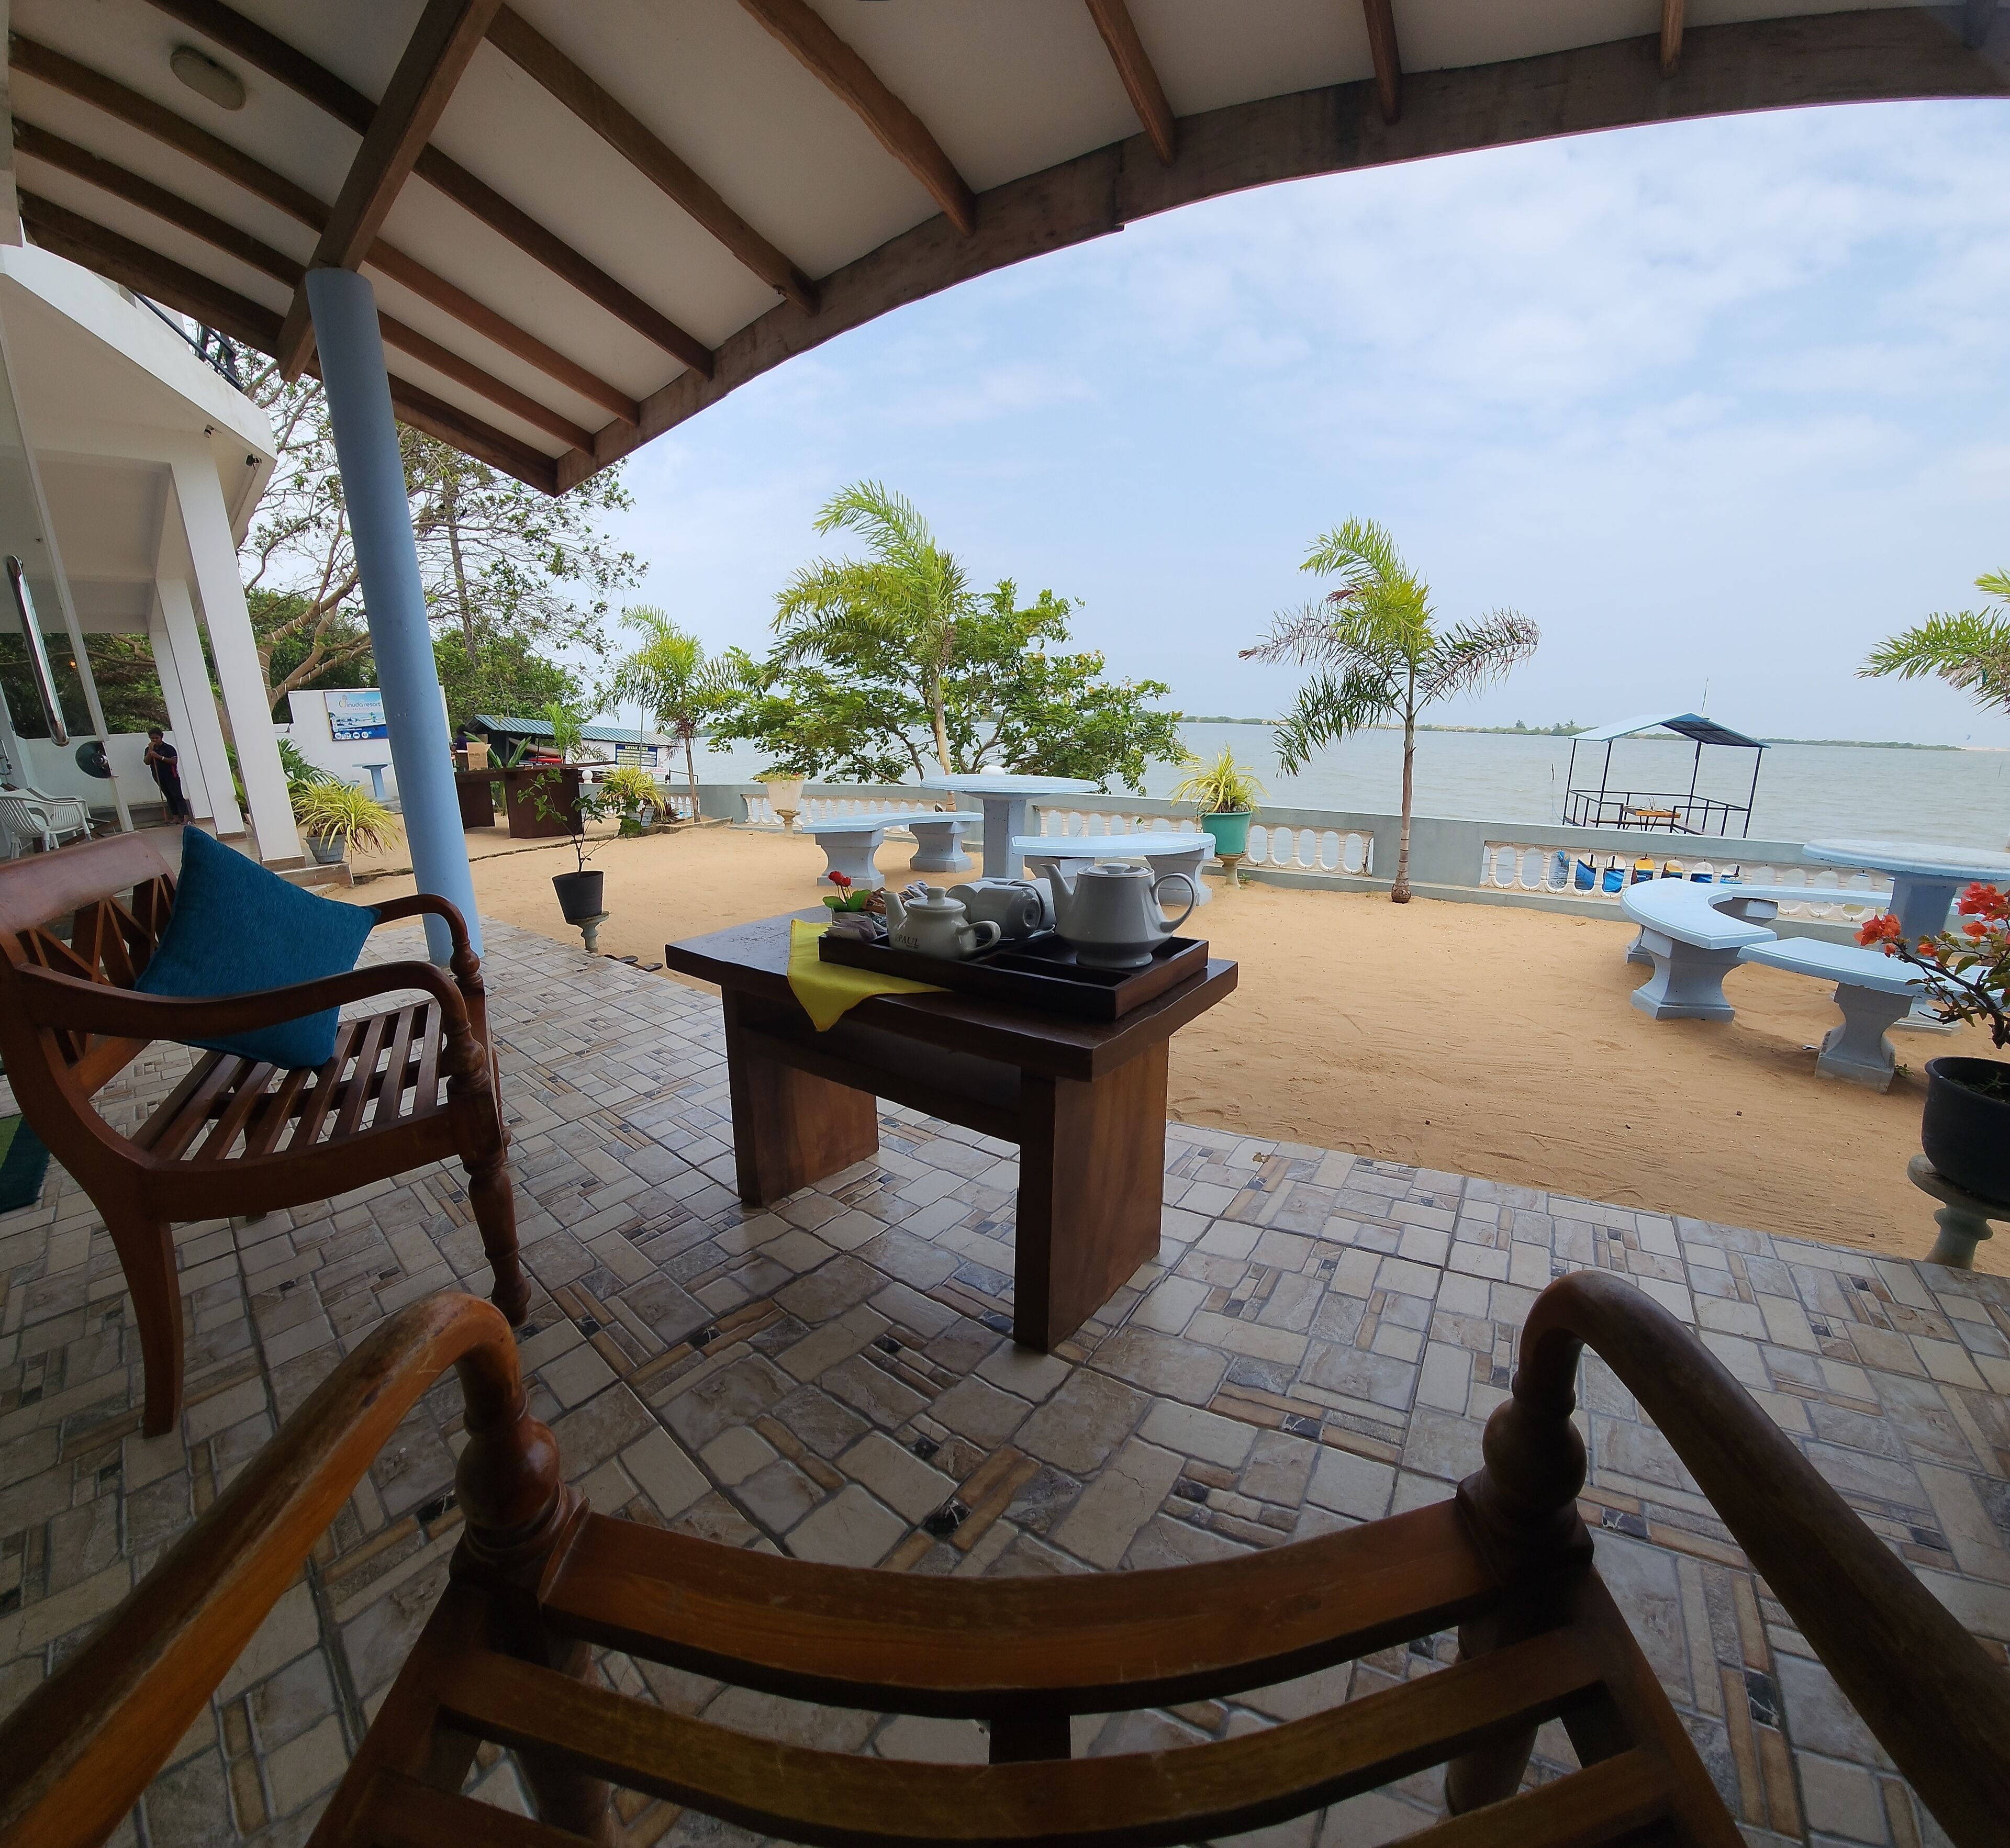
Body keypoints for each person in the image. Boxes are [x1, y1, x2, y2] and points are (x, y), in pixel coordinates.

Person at [143, 727, 191, 822]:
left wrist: (160, 757)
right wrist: (150, 751)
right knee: (169, 796)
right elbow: (147, 762)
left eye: (157, 738)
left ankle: (186, 817)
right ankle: (176, 817)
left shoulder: (169, 748)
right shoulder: (149, 749)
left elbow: (174, 761)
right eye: (152, 738)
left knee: (177, 795)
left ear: (161, 737)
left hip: (171, 775)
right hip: (158, 776)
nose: (154, 740)